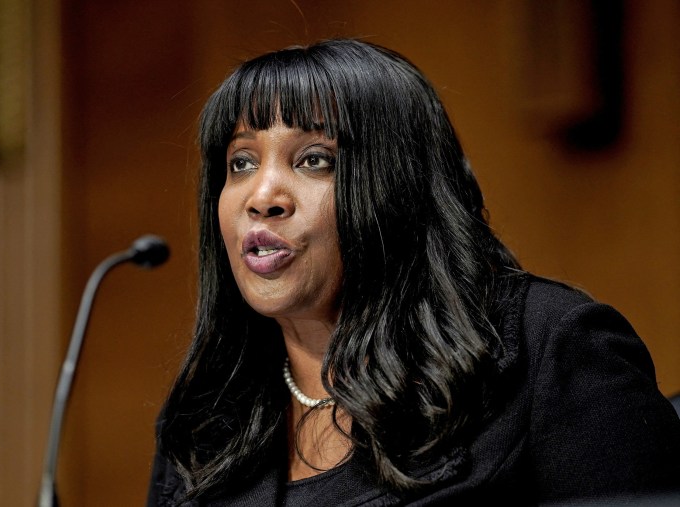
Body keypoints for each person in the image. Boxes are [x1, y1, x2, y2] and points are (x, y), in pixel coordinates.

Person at [147, 39, 680, 506]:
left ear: (399, 187)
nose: (261, 197)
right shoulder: (206, 415)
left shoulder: (548, 351)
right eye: (241, 162)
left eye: (314, 159)